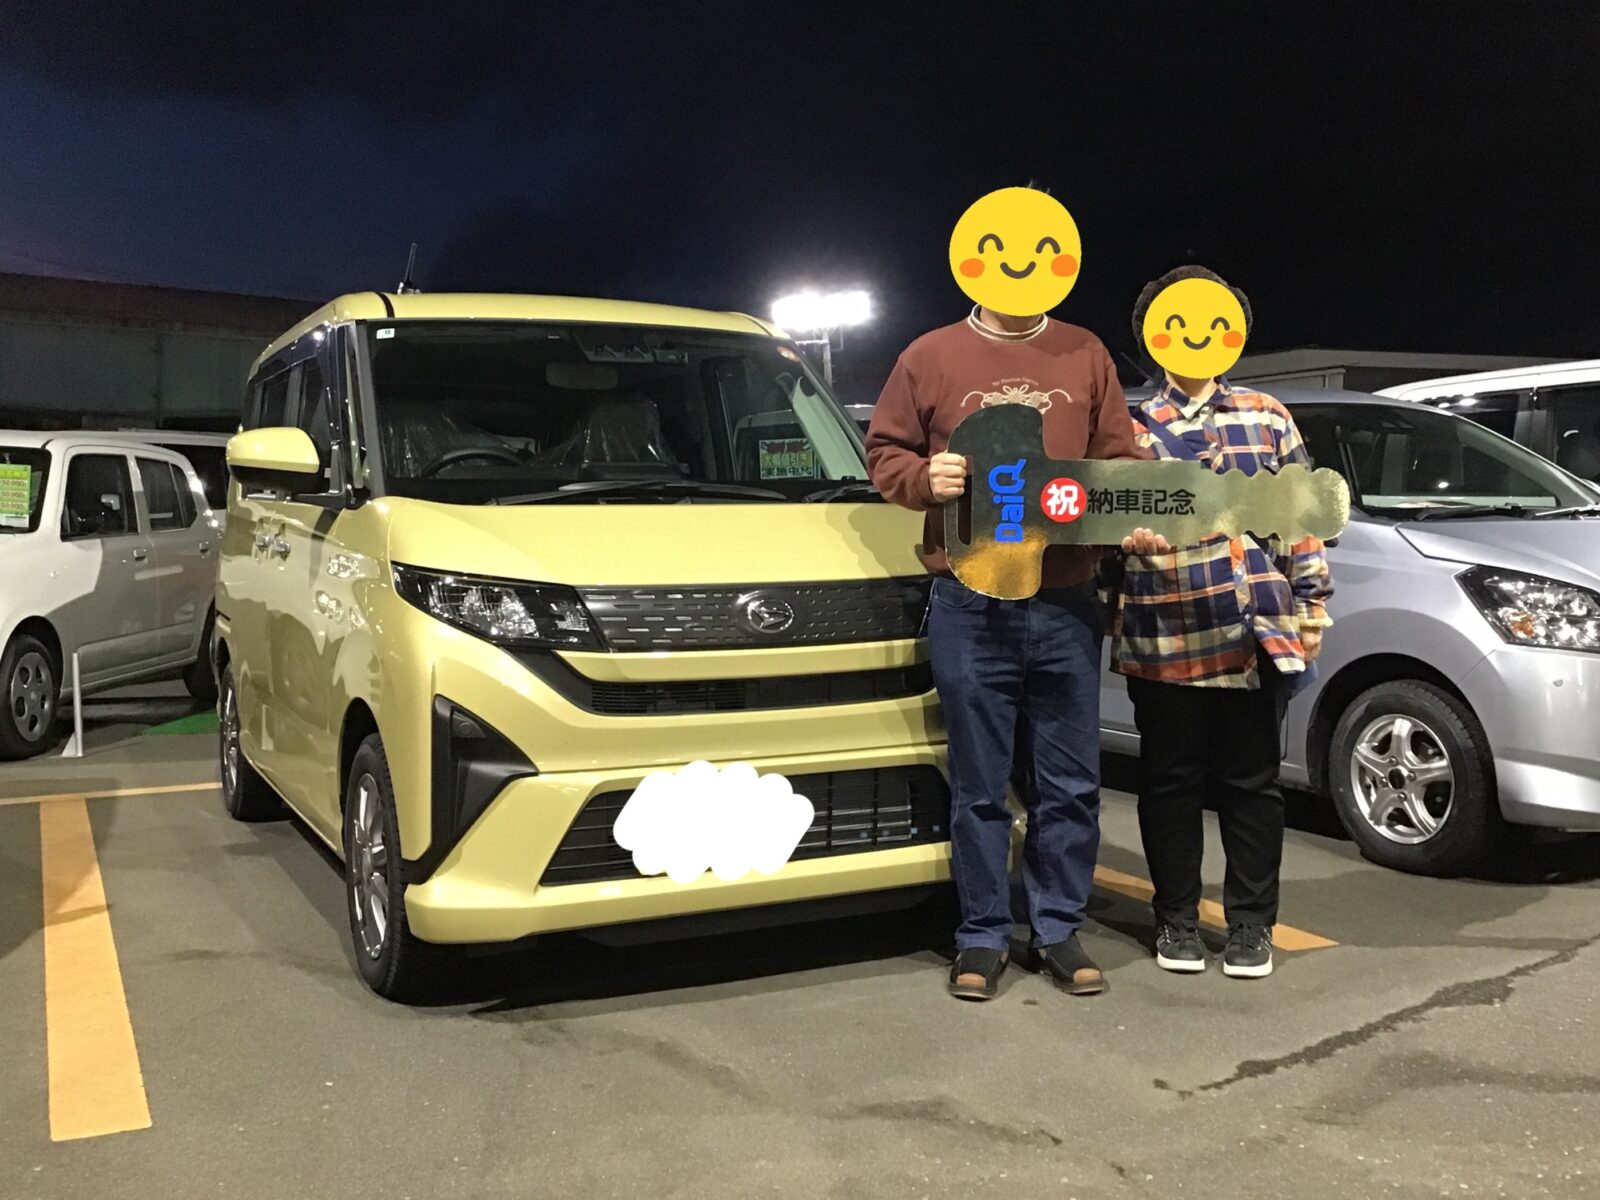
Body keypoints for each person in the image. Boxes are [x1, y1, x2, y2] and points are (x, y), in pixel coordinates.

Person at [866, 235, 1142, 1002]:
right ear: (973, 260)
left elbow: (1120, 461)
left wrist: (1128, 513)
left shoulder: (1085, 352)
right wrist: (924, 476)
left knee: (1070, 782)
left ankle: (1057, 929)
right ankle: (982, 934)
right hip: (969, 598)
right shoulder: (929, 354)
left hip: (1065, 596)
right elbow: (884, 453)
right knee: (979, 783)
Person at [1107, 264, 1334, 980]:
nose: (1195, 335)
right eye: (1176, 321)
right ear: (1151, 336)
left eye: (1213, 320)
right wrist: (1123, 541)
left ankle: (1250, 925)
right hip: (1162, 625)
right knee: (1169, 782)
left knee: (1252, 783)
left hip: (1256, 626)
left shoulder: (1267, 415)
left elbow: (1301, 517)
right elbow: (1104, 524)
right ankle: (1175, 918)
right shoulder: (1129, 427)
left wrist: (1312, 602)